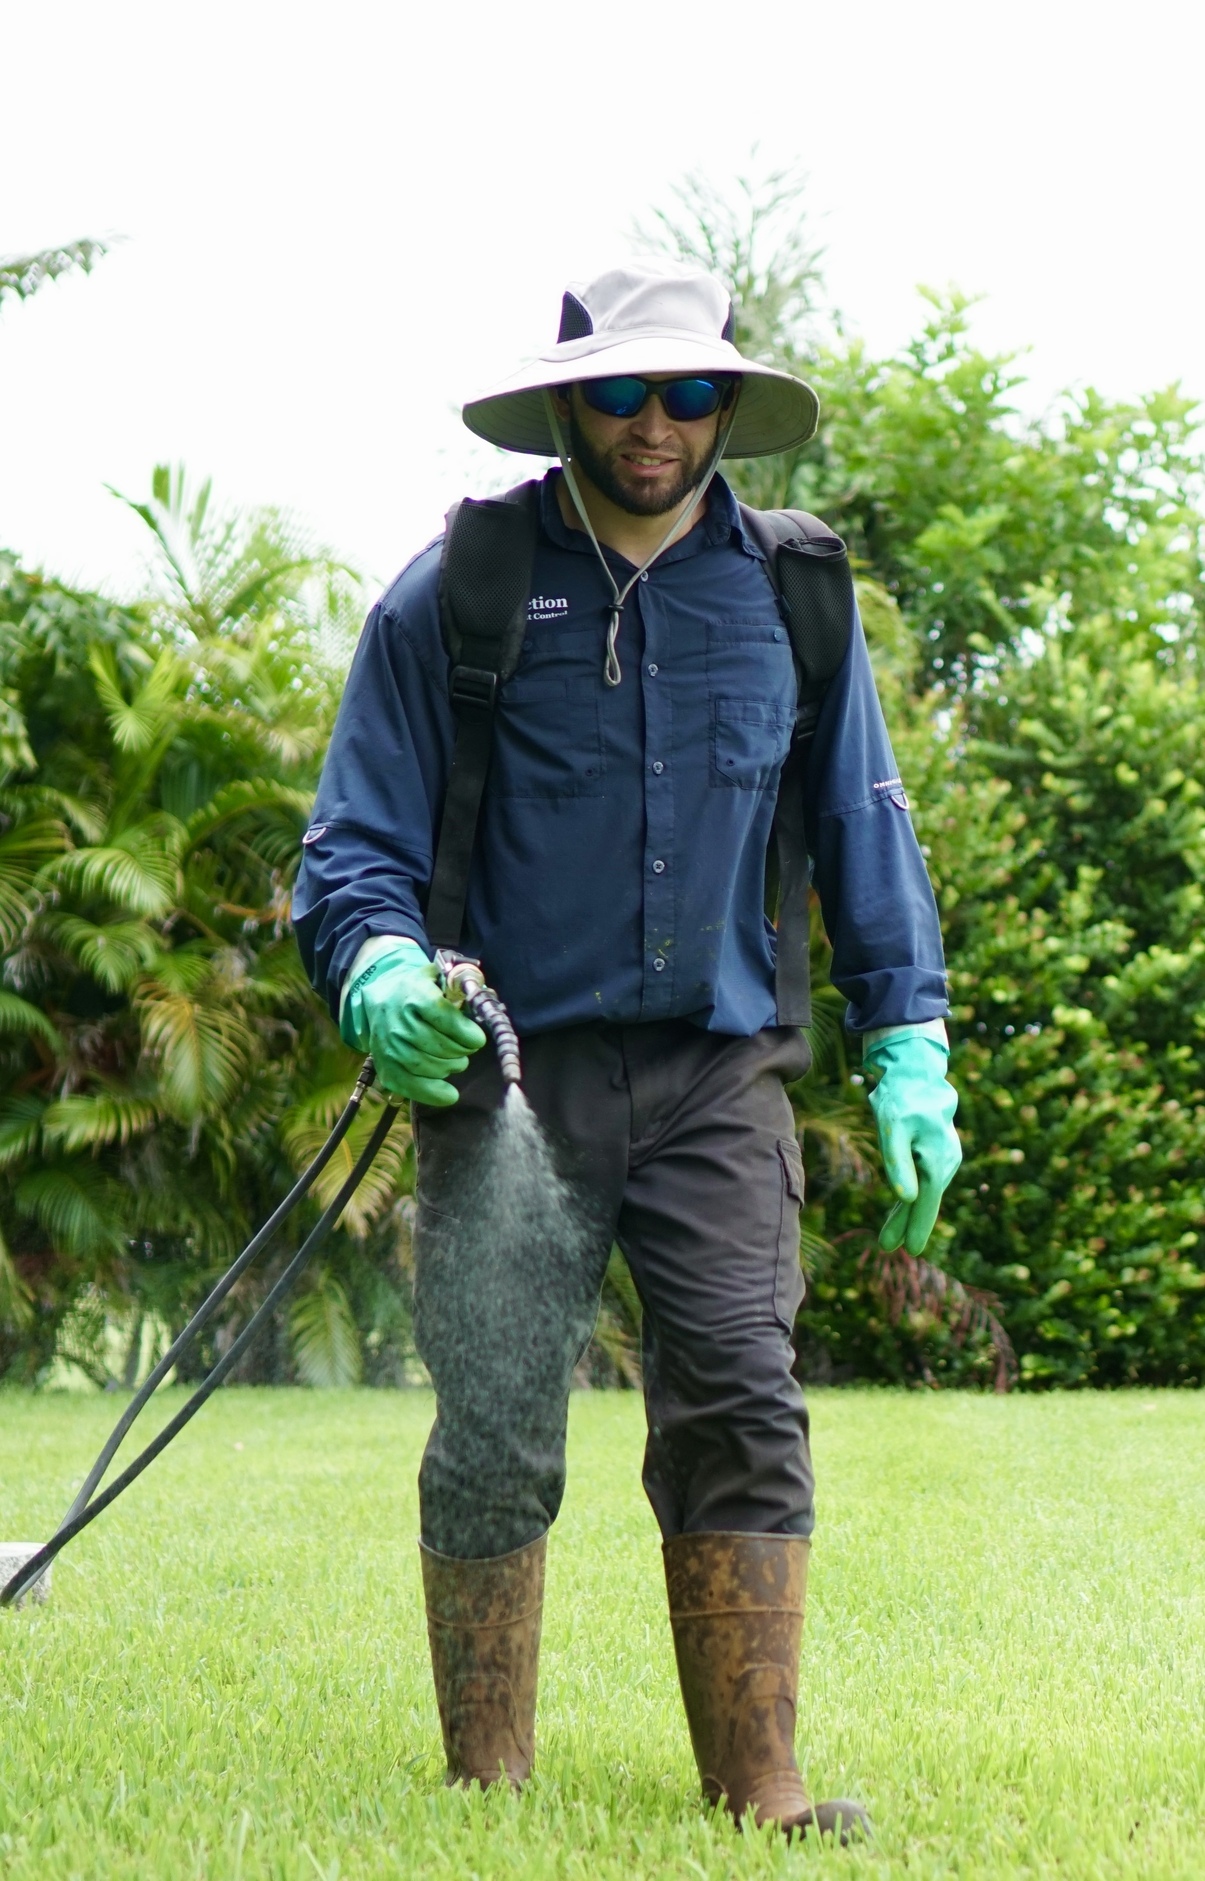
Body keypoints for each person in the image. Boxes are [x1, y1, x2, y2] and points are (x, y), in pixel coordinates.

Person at [293, 261, 961, 1841]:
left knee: (740, 1394)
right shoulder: (459, 590)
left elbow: (865, 828)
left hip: (718, 1077)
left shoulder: (792, 597)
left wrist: (910, 1040)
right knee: (496, 1415)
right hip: (509, 1076)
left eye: (687, 391)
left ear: (727, 404)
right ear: (564, 403)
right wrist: (375, 966)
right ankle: (487, 1775)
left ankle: (759, 1782)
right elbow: (352, 843)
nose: (654, 422)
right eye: (618, 390)